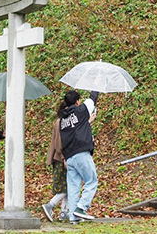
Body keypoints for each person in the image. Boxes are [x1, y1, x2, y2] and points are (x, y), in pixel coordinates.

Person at [59, 89, 99, 224]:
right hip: (81, 152)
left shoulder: (62, 120)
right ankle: (81, 208)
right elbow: (92, 99)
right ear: (77, 102)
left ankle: (73, 216)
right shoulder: (80, 110)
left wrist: (87, 122)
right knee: (91, 181)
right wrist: (97, 85)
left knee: (73, 186)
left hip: (69, 157)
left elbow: (74, 129)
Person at [41, 100, 69, 223]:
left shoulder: (63, 122)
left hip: (61, 157)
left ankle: (64, 211)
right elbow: (59, 144)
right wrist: (64, 158)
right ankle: (50, 205)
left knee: (68, 185)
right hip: (60, 158)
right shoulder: (60, 122)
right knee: (64, 187)